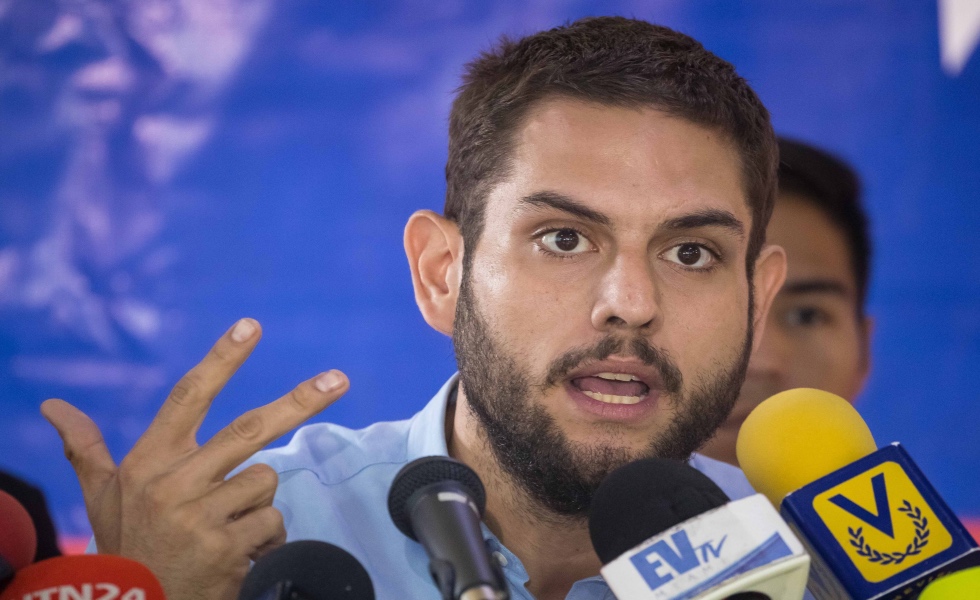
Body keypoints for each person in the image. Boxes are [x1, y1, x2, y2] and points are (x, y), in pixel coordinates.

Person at [40, 17, 788, 600]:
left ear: (758, 302)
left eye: (691, 253)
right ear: (441, 275)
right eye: (563, 239)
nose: (629, 304)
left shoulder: (816, 559)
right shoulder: (244, 548)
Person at [700, 138, 873, 466]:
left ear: (864, 349)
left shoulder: (921, 520)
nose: (762, 361)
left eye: (805, 316)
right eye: (719, 312)